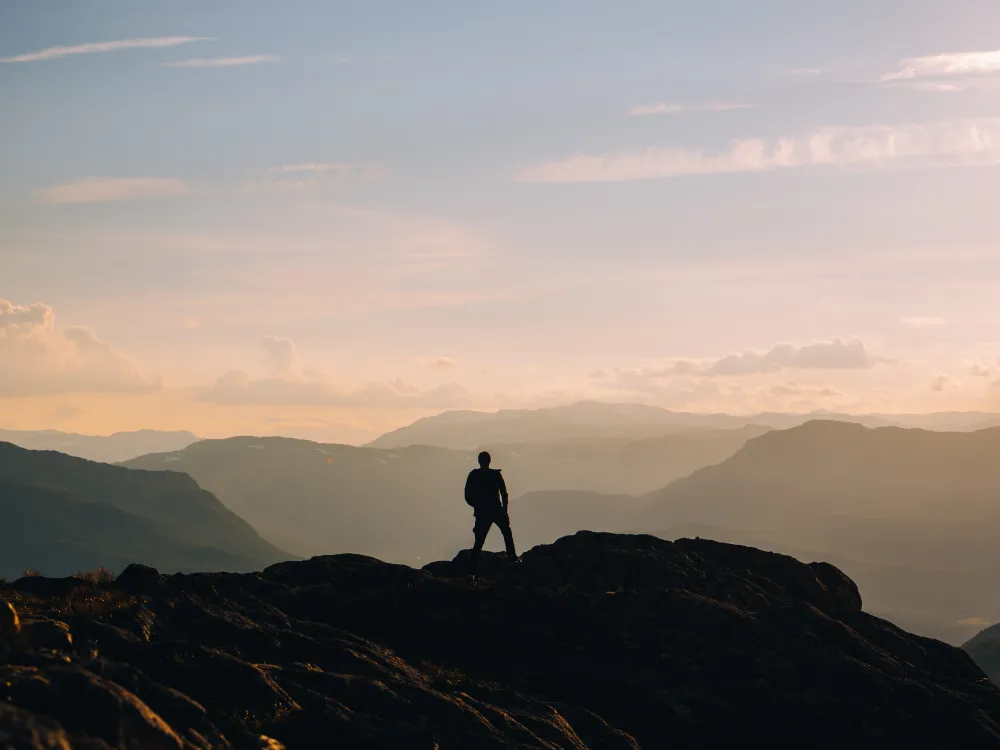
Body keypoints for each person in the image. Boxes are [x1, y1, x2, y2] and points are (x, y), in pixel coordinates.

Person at [464, 450, 520, 576]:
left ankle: (472, 569)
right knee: (506, 533)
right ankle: (512, 558)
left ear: (479, 461)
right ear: (489, 461)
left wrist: (476, 505)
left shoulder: (474, 475)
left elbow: (467, 495)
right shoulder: (495, 475)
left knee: (479, 540)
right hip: (496, 510)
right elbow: (504, 494)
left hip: (483, 512)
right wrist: (504, 511)